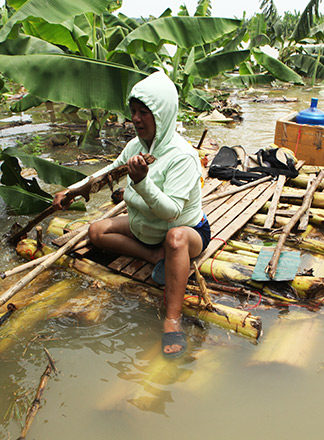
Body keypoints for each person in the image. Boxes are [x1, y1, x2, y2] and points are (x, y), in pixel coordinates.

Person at [52, 71, 209, 359]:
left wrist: (142, 182)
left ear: (161, 115)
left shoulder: (182, 156)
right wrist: (72, 190)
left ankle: (172, 319)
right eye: (133, 112)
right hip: (146, 229)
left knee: (174, 239)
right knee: (97, 231)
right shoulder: (135, 147)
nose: (135, 119)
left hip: (187, 231)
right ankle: (154, 257)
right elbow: (106, 173)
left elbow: (172, 214)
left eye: (144, 113)